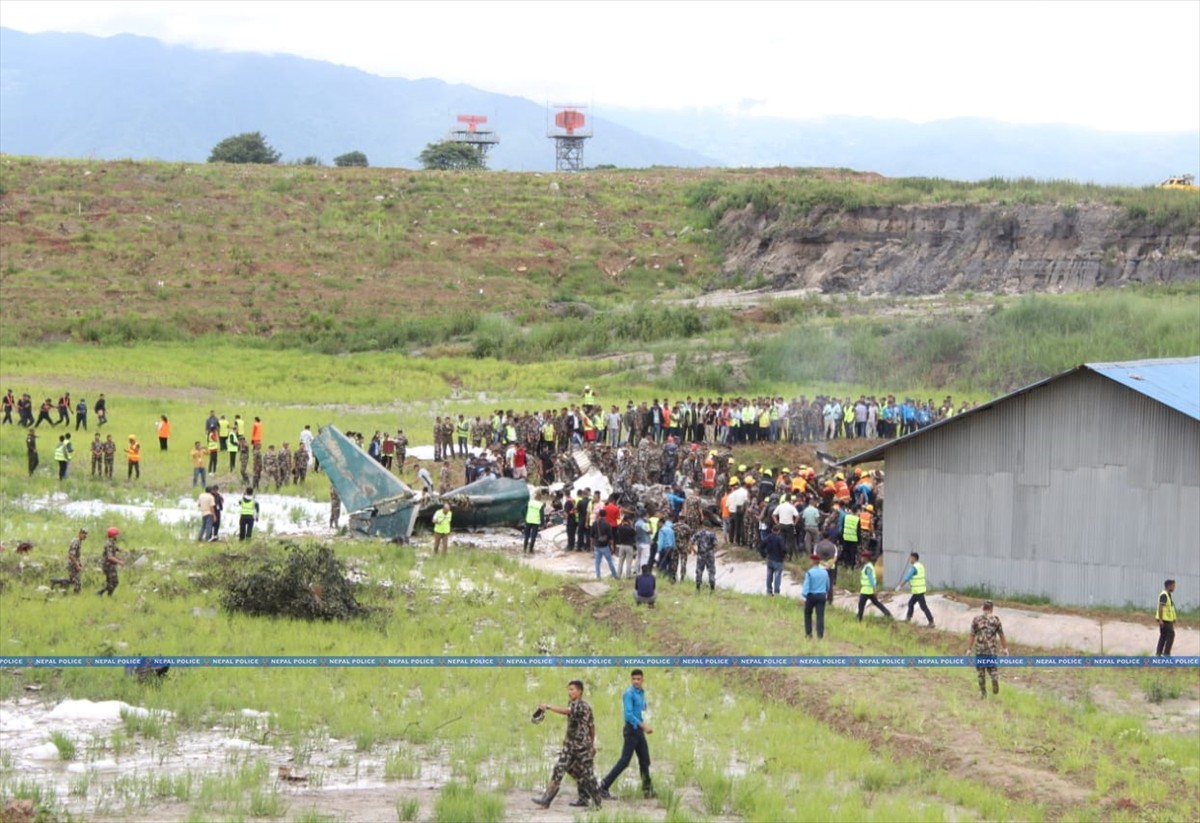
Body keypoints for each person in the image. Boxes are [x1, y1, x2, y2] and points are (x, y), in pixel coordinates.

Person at [532, 679, 602, 810]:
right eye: (568, 689)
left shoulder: (581, 705)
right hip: (570, 746)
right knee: (560, 769)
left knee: (587, 775)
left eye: (572, 689)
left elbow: (589, 725)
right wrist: (566, 738)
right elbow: (572, 724)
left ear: (579, 691)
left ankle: (596, 802)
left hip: (582, 747)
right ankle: (546, 799)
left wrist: (548, 707)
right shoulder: (572, 703)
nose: (569, 692)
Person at [597, 669, 655, 800]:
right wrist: (643, 726)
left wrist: (643, 708)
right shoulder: (629, 693)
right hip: (632, 730)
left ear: (642, 680)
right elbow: (628, 715)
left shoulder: (641, 692)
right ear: (631, 680)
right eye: (634, 679)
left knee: (645, 760)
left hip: (638, 731)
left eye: (638, 679)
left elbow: (641, 708)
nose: (636, 681)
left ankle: (647, 790)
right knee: (624, 761)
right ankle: (603, 786)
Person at [966, 600, 1008, 698]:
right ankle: (994, 678)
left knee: (981, 672)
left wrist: (968, 649)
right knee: (992, 669)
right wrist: (1005, 648)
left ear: (983, 608)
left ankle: (983, 693)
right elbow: (1001, 635)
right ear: (992, 609)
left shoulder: (976, 620)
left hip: (980, 651)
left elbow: (972, 635)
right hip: (991, 651)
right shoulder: (996, 620)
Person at [896, 551, 935, 627]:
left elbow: (907, 577)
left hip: (918, 591)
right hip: (920, 589)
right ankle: (908, 619)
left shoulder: (914, 568)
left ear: (914, 558)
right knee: (911, 603)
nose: (910, 560)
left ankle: (931, 622)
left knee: (923, 606)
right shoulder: (921, 566)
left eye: (910, 558)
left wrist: (900, 586)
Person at [856, 549, 893, 620]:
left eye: (862, 557)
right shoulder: (869, 566)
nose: (861, 559)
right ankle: (887, 613)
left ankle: (859, 618)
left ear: (865, 558)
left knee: (861, 604)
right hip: (868, 589)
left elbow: (871, 579)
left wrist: (874, 588)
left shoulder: (868, 568)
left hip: (866, 590)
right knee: (876, 602)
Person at [802, 554, 830, 639]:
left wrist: (804, 597)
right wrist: (826, 593)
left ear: (813, 561)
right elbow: (828, 585)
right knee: (820, 616)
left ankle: (808, 633)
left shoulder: (809, 573)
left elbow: (806, 586)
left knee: (807, 613)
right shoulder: (825, 572)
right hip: (822, 595)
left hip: (811, 595)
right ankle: (820, 636)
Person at [98, 527, 124, 596]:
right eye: (117, 535)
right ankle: (101, 593)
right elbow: (110, 557)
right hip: (108, 566)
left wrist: (119, 549)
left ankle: (106, 595)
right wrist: (119, 562)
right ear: (113, 535)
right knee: (114, 582)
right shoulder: (109, 544)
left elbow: (114, 548)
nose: (117, 537)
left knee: (110, 582)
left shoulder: (111, 543)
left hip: (109, 566)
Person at [763, 523, 787, 596]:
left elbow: (761, 546)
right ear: (779, 531)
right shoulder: (780, 538)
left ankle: (769, 591)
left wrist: (764, 554)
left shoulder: (768, 537)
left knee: (769, 576)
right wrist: (784, 555)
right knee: (777, 576)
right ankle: (776, 592)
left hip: (770, 558)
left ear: (772, 530)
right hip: (778, 560)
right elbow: (783, 548)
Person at [691, 526, 717, 592]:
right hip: (709, 554)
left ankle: (698, 588)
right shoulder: (712, 534)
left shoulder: (699, 533)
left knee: (699, 571)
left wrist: (694, 551)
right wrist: (712, 550)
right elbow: (715, 544)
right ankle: (712, 589)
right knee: (711, 571)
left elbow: (691, 542)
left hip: (701, 554)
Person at [1156, 579, 1177, 657]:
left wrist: (1173, 618)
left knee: (1163, 636)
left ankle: (1159, 653)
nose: (1174, 588)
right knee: (1171, 635)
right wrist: (1161, 620)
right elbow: (1161, 607)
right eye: (1173, 586)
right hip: (1165, 620)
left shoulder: (1168, 594)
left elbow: (1170, 608)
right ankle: (1166, 654)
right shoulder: (1164, 595)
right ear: (1169, 586)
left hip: (1168, 619)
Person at [67, 528, 87, 594]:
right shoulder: (76, 542)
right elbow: (71, 555)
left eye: (86, 534)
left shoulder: (78, 541)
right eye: (84, 534)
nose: (85, 536)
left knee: (75, 581)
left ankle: (68, 592)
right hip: (73, 564)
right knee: (76, 582)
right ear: (80, 534)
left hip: (74, 563)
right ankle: (75, 596)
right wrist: (77, 565)